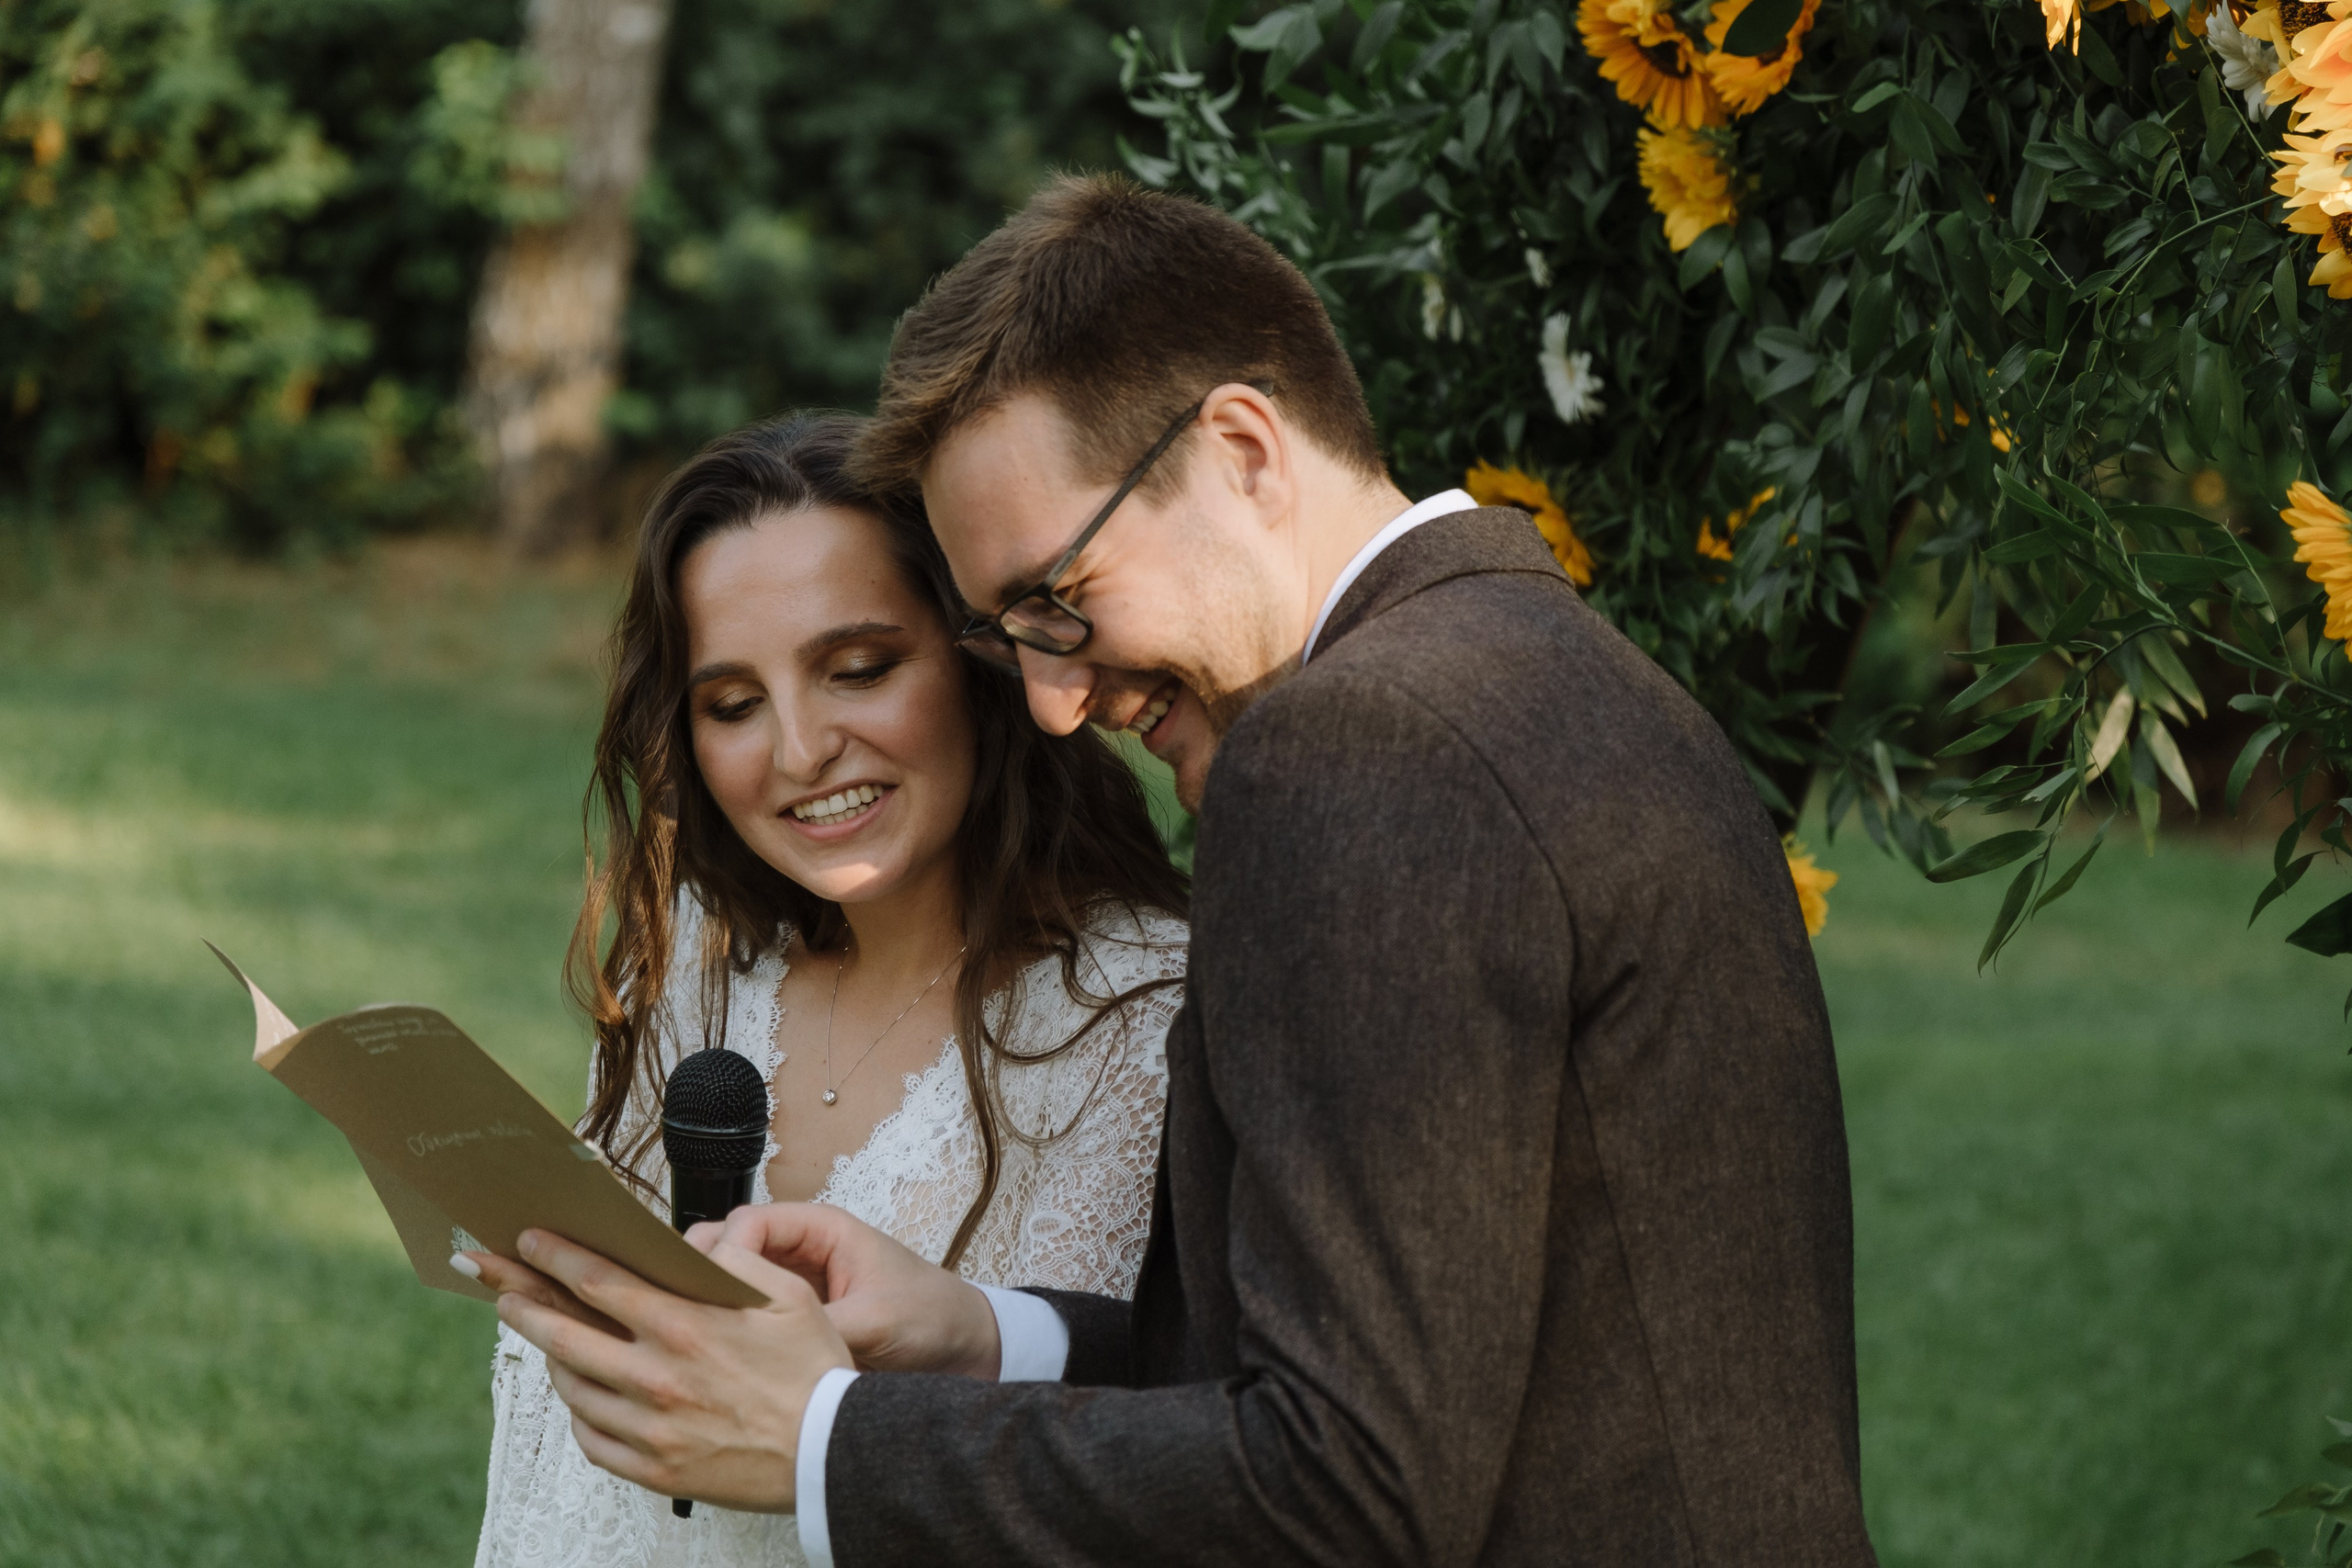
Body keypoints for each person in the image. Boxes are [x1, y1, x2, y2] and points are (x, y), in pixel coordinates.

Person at [484, 175, 1878, 1566]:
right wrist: (983, 1331)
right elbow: (1403, 1362)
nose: (1048, 700)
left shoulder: (1354, 748)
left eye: (1057, 600)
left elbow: (1349, 1494)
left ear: (1243, 450)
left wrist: (822, 1440)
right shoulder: (1566, 667)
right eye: (1005, 635)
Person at [463, 412, 1190, 1568]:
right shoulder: (703, 955)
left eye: (858, 670)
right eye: (733, 704)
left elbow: (1119, 1463)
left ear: (980, 663)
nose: (801, 751)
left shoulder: (1136, 1012)